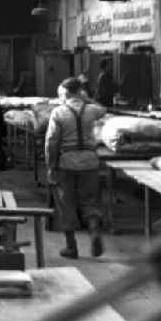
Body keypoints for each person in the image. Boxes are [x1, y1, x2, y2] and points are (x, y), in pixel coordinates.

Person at [45, 77, 107, 259]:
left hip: (67, 163)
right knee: (90, 200)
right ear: (79, 91)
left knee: (67, 204)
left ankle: (71, 247)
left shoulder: (58, 112)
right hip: (89, 162)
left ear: (64, 93)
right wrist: (86, 99)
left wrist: (51, 166)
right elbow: (104, 109)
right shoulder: (91, 110)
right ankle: (94, 230)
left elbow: (51, 142)